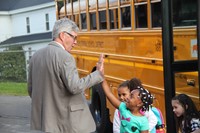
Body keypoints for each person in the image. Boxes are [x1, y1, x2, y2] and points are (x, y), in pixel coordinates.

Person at [27, 18, 104, 133]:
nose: (75, 42)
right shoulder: (65, 57)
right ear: (63, 35)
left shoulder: (35, 56)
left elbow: (31, 90)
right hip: (67, 124)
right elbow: (75, 87)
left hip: (47, 123)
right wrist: (97, 74)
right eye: (74, 37)